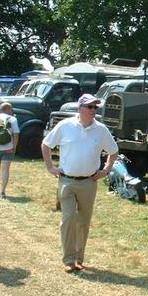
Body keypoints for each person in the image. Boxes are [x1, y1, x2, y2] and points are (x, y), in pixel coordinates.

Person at [41, 93, 118, 273]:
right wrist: (50, 167)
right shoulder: (65, 125)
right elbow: (46, 144)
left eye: (95, 107)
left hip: (89, 182)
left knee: (83, 221)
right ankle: (68, 259)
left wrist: (105, 170)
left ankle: (78, 258)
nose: (93, 110)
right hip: (67, 181)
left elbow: (113, 151)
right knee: (68, 218)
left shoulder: (101, 129)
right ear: (80, 108)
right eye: (90, 107)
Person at [0, 101, 20, 198]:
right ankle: (3, 191)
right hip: (8, 148)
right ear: (8, 109)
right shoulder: (13, 119)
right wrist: (14, 147)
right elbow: (16, 134)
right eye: (11, 109)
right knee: (5, 169)